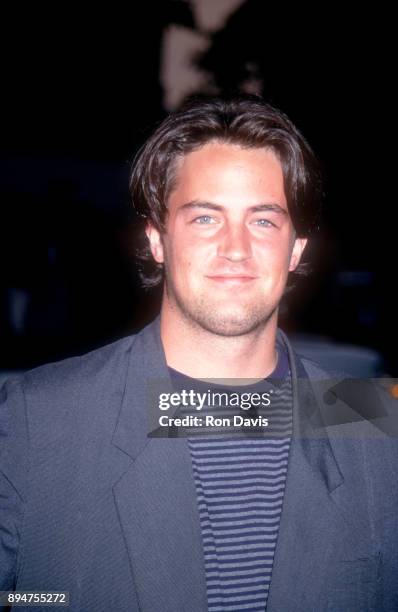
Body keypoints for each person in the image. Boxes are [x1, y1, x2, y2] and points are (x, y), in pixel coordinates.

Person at [1, 95, 397, 612]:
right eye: (205, 218)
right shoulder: (37, 417)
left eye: (263, 220)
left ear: (296, 249)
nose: (236, 248)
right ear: (158, 240)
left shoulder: (372, 418)